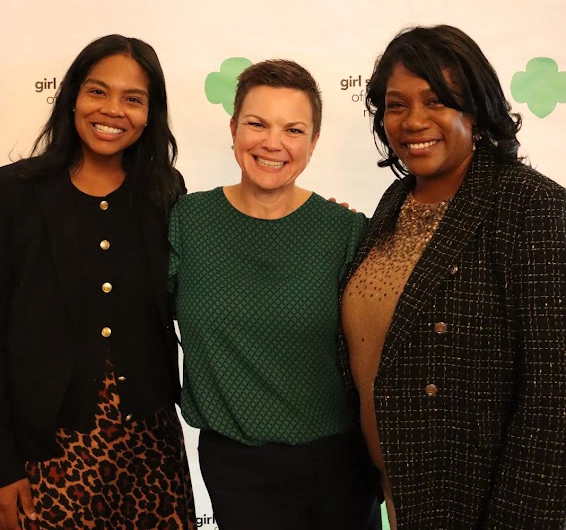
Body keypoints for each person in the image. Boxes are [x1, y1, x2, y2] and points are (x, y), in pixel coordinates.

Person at [339, 24, 566, 529]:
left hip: (478, 501)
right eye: (396, 105)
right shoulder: (394, 203)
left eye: (437, 101)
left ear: (476, 110)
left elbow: (554, 399)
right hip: (400, 491)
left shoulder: (531, 206)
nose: (413, 121)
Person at [169, 59, 378, 530]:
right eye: (257, 124)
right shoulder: (187, 220)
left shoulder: (347, 231)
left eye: (293, 129)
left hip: (339, 463)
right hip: (234, 466)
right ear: (233, 128)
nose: (272, 143)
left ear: (313, 142)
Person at [0, 35, 196, 530]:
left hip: (150, 448)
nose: (113, 110)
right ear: (72, 97)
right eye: (97, 92)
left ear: (151, 113)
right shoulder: (14, 193)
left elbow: (205, 282)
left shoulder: (165, 192)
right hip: (43, 452)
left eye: (133, 98)